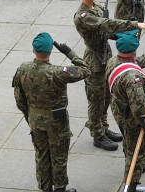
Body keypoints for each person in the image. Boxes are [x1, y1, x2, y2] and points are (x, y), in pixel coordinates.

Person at [74, 0, 145, 151]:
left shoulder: (95, 8)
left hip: (105, 54)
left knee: (106, 96)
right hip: (95, 60)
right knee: (96, 100)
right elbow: (107, 24)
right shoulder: (83, 16)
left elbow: (107, 32)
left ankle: (103, 127)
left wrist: (125, 35)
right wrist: (134, 24)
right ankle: (97, 134)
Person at [13, 32, 90, 192]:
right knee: (59, 157)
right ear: (50, 51)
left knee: (41, 156)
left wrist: (30, 116)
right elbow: (85, 70)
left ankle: (45, 189)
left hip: (35, 119)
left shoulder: (23, 69)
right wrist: (68, 52)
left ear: (34, 50)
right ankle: (60, 188)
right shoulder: (58, 72)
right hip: (57, 121)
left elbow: (19, 99)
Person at [106, 31, 145, 192]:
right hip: (131, 117)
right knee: (137, 149)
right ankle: (131, 183)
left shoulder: (112, 61)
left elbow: (135, 63)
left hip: (117, 108)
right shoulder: (134, 78)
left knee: (128, 141)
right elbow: (137, 106)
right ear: (134, 51)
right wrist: (144, 122)